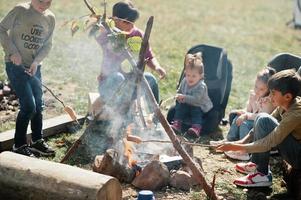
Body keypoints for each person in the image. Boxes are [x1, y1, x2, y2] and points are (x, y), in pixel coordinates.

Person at [216, 69, 301, 188]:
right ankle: (256, 165)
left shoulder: (296, 114)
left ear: (287, 96)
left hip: (298, 156)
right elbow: (263, 124)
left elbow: (269, 142)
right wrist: (242, 141)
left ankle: (262, 174)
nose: (270, 97)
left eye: (273, 93)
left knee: (263, 118)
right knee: (262, 118)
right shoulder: (286, 104)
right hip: (293, 147)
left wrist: (237, 147)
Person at [0, 0, 55, 157]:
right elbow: (1, 29)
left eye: (48, 2)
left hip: (33, 68)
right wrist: (12, 52)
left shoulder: (50, 18)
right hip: (15, 66)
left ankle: (37, 141)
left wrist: (37, 62)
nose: (43, 5)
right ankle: (19, 145)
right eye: (40, 1)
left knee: (38, 105)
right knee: (29, 106)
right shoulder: (20, 10)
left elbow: (48, 44)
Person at [93, 1, 166, 110]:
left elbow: (149, 56)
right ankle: (116, 113)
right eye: (127, 22)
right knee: (118, 77)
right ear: (116, 20)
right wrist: (103, 26)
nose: (131, 25)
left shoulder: (137, 35)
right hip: (109, 86)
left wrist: (156, 67)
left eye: (133, 22)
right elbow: (95, 34)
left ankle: (155, 116)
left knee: (150, 79)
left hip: (131, 87)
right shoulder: (108, 34)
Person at [210, 67, 276, 160]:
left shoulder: (268, 101)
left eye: (261, 89)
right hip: (252, 119)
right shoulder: (254, 95)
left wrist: (246, 116)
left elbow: (262, 116)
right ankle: (230, 141)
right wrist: (242, 112)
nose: (257, 90)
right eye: (256, 86)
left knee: (244, 123)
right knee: (237, 117)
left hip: (261, 126)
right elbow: (249, 110)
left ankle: (244, 151)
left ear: (268, 90)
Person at [171, 52, 213, 137]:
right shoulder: (184, 81)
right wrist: (178, 95)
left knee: (196, 111)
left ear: (200, 76)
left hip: (199, 105)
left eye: (194, 76)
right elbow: (180, 90)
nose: (190, 78)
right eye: (188, 75)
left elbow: (196, 99)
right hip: (186, 103)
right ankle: (177, 123)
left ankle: (196, 127)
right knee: (180, 107)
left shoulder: (201, 86)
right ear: (185, 73)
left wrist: (184, 97)